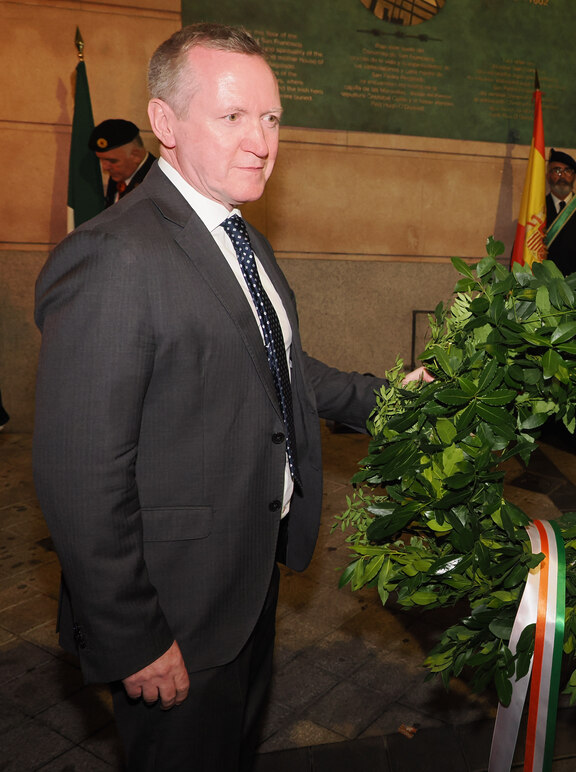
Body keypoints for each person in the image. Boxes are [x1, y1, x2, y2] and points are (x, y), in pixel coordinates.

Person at [33, 24, 429, 770]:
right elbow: (80, 478)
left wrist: (390, 403)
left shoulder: (236, 233)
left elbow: (280, 367)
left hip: (242, 585)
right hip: (171, 612)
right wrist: (135, 637)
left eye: (272, 117)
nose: (261, 141)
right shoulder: (116, 255)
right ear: (165, 122)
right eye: (233, 116)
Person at [89, 119, 157, 207]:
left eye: (112, 161)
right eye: (101, 159)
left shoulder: (157, 183)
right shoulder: (120, 176)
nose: (105, 167)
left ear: (135, 155)